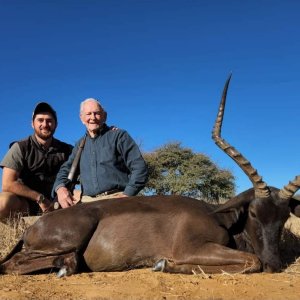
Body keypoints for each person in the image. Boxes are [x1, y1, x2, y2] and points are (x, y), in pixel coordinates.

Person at [53, 98, 148, 208]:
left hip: (116, 200)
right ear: (81, 118)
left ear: (104, 116)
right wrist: (60, 188)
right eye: (88, 114)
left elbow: (140, 167)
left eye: (97, 113)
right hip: (87, 203)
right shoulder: (79, 145)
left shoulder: (119, 136)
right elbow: (65, 170)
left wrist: (128, 194)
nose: (92, 118)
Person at [0, 102, 73, 220]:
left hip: (58, 204)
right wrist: (40, 198)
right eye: (40, 120)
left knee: (83, 197)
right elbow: (7, 184)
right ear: (32, 124)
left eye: (49, 120)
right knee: (2, 203)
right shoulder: (20, 147)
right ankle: (22, 232)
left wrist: (106, 131)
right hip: (26, 205)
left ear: (56, 124)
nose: (45, 124)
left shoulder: (67, 150)